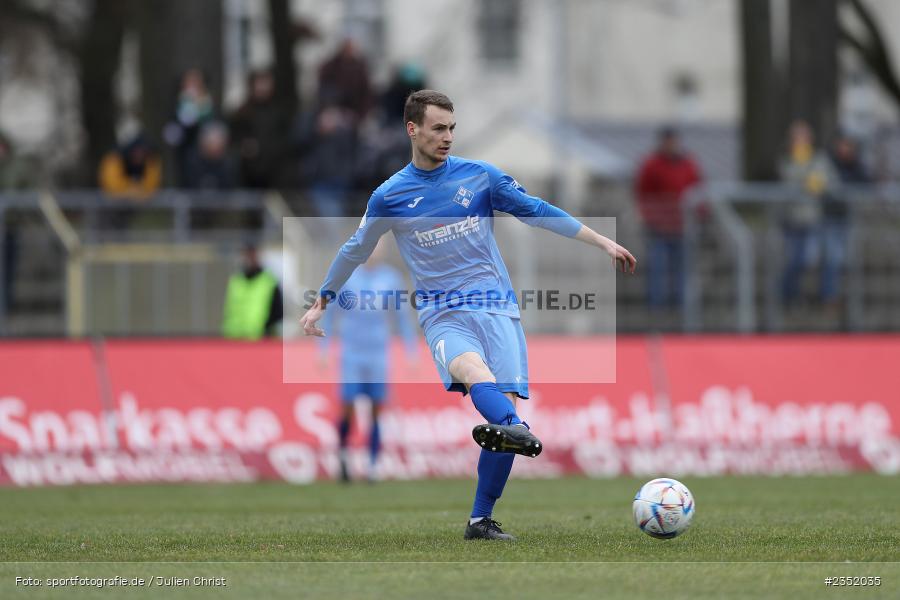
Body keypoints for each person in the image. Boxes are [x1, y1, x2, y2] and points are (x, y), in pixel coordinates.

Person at [299, 90, 636, 540]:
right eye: (438, 128)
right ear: (412, 129)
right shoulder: (390, 196)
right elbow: (353, 250)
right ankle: (517, 429)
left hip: (497, 311)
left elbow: (537, 211)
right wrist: (322, 300)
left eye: (452, 128)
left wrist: (603, 242)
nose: (448, 137)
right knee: (474, 373)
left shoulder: (481, 178)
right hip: (443, 315)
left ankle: (481, 519)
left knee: (501, 417)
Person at [318, 238, 418, 483]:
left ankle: (372, 465)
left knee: (376, 409)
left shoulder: (391, 278)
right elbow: (330, 315)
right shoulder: (348, 277)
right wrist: (323, 348)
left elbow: (402, 318)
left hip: (378, 354)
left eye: (379, 247)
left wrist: (411, 350)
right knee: (348, 406)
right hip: (352, 353)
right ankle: (343, 455)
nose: (374, 252)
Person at [634, 127, 702, 311]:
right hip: (659, 228)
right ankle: (657, 308)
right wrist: (649, 217)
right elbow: (642, 194)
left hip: (682, 227)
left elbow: (698, 190)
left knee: (682, 270)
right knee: (658, 268)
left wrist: (700, 215)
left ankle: (681, 308)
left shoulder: (688, 164)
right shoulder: (651, 165)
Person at [779, 120, 836, 306]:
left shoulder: (819, 159)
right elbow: (789, 182)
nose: (801, 140)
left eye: (804, 136)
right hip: (792, 219)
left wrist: (818, 182)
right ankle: (788, 296)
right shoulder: (787, 159)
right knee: (794, 260)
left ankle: (820, 298)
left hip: (813, 218)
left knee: (812, 258)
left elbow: (828, 182)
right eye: (797, 137)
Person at [823, 134, 868, 309]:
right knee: (833, 258)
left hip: (848, 218)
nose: (845, 149)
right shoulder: (830, 163)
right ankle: (830, 297)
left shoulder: (856, 165)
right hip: (831, 218)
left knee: (846, 259)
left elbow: (866, 183)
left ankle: (850, 301)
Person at [230, 70, 291, 189]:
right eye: (259, 83)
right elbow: (235, 142)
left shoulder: (279, 113)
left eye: (266, 83)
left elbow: (286, 142)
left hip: (275, 175)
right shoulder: (241, 113)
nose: (262, 88)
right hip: (248, 175)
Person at [222, 244, 283, 339]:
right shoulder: (236, 280)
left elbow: (278, 311)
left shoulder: (269, 281)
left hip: (261, 338)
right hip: (234, 337)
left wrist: (268, 331)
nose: (248, 259)